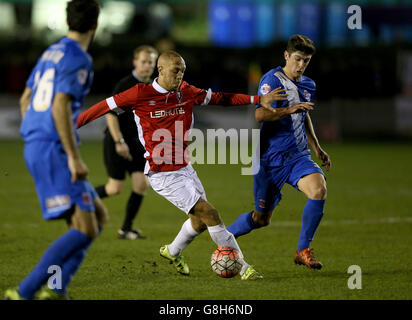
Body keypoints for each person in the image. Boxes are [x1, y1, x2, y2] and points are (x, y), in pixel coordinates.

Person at [76, 50, 287, 280]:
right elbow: (102, 107)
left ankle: (172, 251)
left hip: (185, 168)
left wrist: (257, 99)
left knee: (199, 222)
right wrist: (68, 128)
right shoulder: (139, 94)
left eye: (183, 71)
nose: (180, 76)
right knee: (210, 213)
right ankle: (244, 267)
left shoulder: (186, 91)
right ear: (161, 70)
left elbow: (219, 98)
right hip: (162, 173)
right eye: (176, 71)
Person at [4, 0, 107, 300]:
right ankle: (24, 293)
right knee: (86, 228)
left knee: (97, 218)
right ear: (95, 25)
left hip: (39, 144)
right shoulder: (78, 58)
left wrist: (35, 135)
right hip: (54, 148)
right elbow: (61, 104)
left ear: (67, 21)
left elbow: (25, 99)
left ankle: (56, 289)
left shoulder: (51, 52)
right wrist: (73, 157)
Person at [227, 34, 331, 270]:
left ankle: (302, 250)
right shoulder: (272, 81)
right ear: (286, 56)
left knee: (318, 189)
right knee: (261, 219)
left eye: (306, 60)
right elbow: (260, 115)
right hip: (269, 161)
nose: (301, 65)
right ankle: (224, 239)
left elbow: (304, 115)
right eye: (297, 59)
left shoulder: (308, 84)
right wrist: (289, 110)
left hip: (297, 157)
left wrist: (317, 147)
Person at [94, 45, 158, 240]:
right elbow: (110, 114)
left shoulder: (153, 88)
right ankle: (81, 198)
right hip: (117, 140)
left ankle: (126, 229)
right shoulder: (126, 85)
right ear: (135, 62)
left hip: (136, 144)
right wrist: (119, 141)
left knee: (141, 185)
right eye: (143, 61)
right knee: (114, 188)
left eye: (151, 62)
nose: (147, 65)